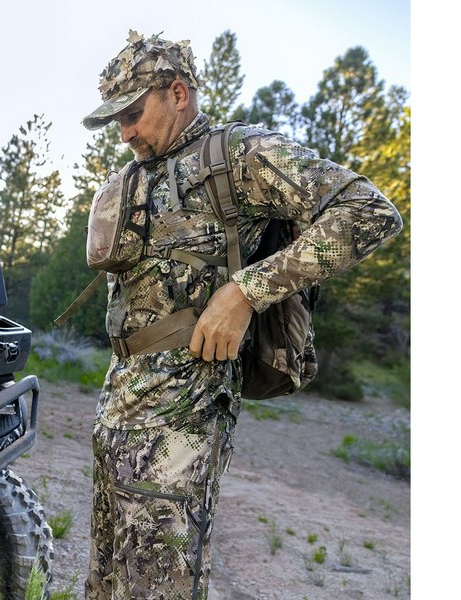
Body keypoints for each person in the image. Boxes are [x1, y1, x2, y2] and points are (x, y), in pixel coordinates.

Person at [80, 31, 403, 600]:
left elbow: (370, 211)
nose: (125, 133)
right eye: (117, 121)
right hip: (119, 404)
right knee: (108, 582)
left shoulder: (238, 155)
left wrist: (247, 292)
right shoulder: (142, 173)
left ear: (177, 93)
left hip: (184, 414)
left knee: (160, 585)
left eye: (133, 114)